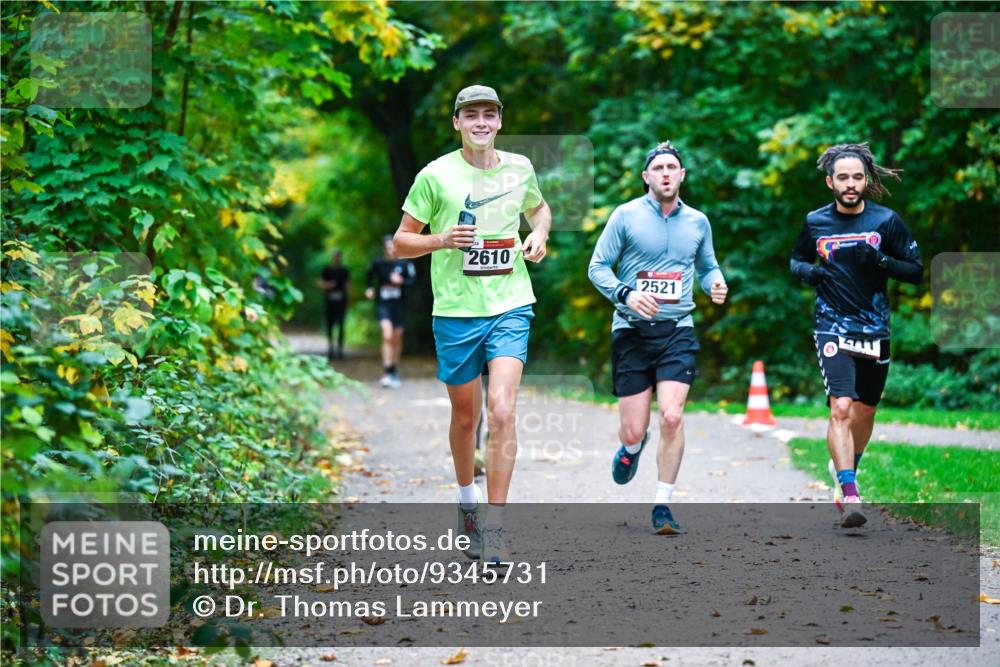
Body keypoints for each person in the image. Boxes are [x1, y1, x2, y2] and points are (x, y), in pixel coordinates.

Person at [392, 85, 551, 566]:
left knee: (501, 410)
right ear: (456, 123)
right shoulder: (434, 175)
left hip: (510, 303)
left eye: (489, 114)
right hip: (456, 311)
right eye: (471, 115)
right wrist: (441, 239)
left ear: (500, 120)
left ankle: (497, 527)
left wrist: (539, 232)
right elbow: (400, 242)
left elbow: (537, 207)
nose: (481, 122)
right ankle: (467, 504)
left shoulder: (519, 167)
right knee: (467, 418)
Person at [588, 141, 728, 535]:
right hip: (631, 331)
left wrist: (714, 282)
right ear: (646, 176)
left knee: (671, 415)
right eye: (659, 168)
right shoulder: (625, 216)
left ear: (682, 175)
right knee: (634, 429)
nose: (666, 173)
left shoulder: (698, 221)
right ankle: (632, 448)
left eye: (673, 167)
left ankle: (662, 504)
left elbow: (707, 265)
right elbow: (597, 267)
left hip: (677, 330)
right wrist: (627, 294)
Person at [790, 142, 923, 529]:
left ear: (867, 180)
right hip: (831, 322)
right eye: (843, 178)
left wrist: (882, 261)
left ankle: (846, 468)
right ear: (830, 181)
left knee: (865, 411)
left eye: (857, 177)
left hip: (874, 326)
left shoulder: (886, 221)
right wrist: (808, 273)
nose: (850, 184)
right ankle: (850, 494)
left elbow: (915, 271)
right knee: (841, 407)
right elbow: (797, 259)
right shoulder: (816, 222)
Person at [366, 236, 416, 388]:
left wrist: (402, 281)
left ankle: (393, 370)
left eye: (392, 246)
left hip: (399, 305)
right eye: (387, 246)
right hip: (383, 304)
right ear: (384, 248)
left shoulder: (405, 263)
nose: (390, 249)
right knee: (387, 334)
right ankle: (387, 371)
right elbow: (369, 276)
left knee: (397, 336)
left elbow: (413, 280)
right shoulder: (378, 264)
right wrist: (369, 289)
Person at [317, 249, 349, 360]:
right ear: (332, 257)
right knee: (330, 325)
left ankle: (340, 349)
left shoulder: (344, 271)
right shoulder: (326, 270)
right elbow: (319, 283)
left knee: (341, 326)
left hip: (341, 302)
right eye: (335, 256)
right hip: (330, 302)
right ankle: (331, 348)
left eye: (338, 256)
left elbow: (348, 285)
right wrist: (327, 285)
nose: (337, 258)